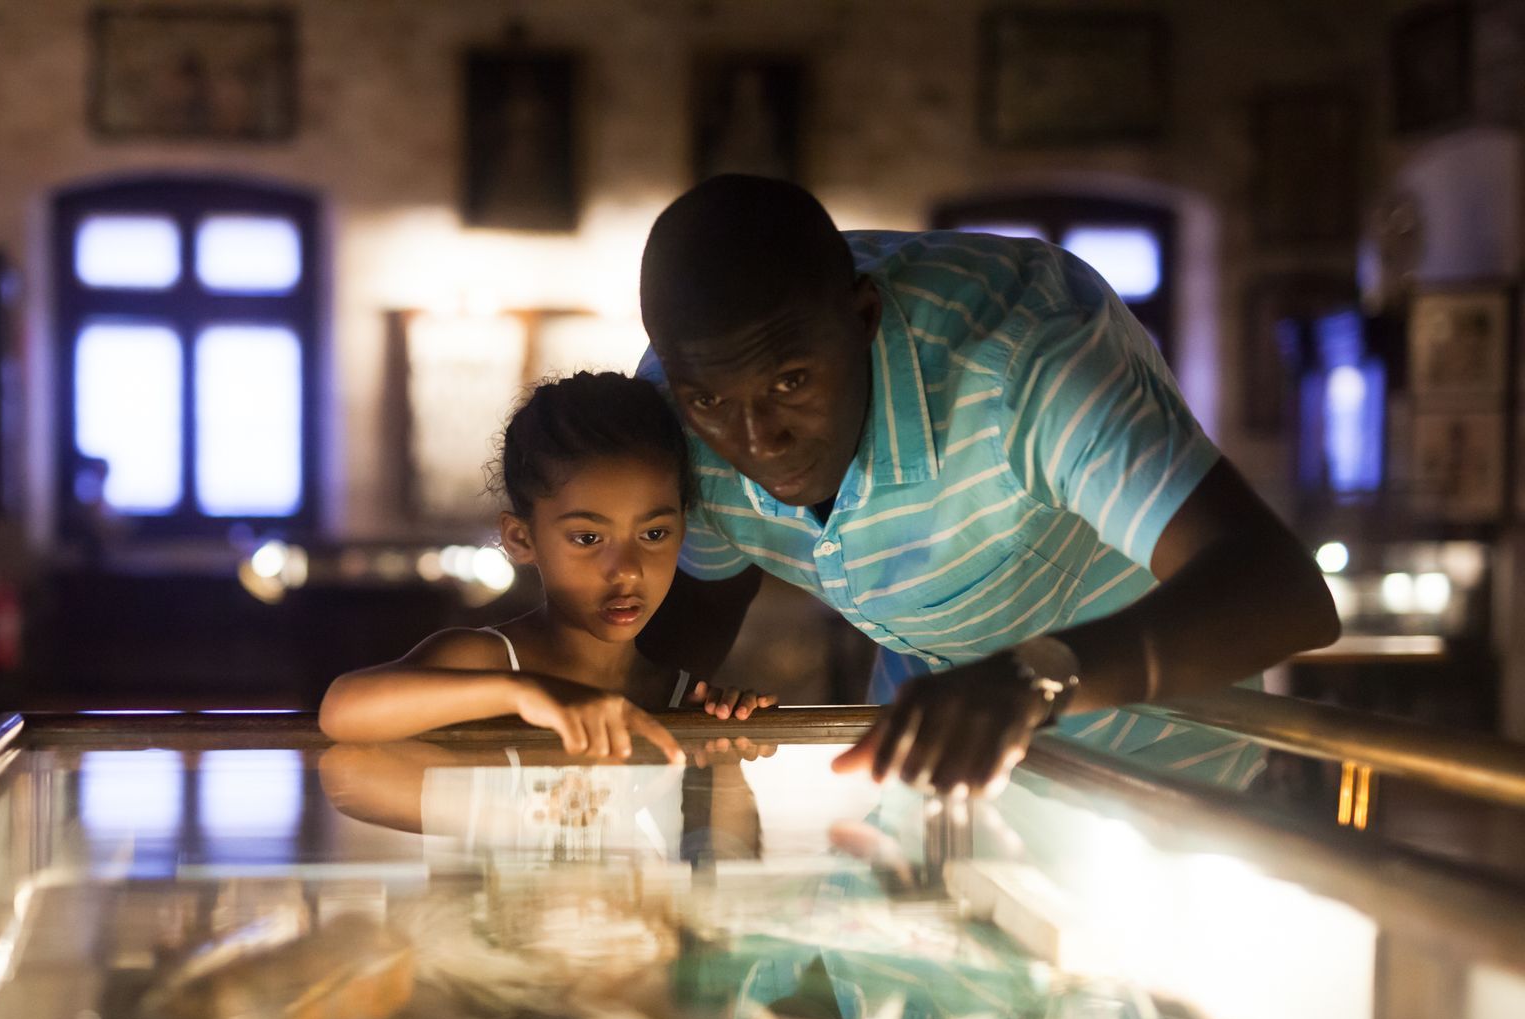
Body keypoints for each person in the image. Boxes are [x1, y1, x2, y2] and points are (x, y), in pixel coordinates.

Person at [633, 176, 1340, 794]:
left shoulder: (1027, 359)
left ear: (863, 319)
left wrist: (1036, 678)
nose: (756, 440)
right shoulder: (685, 392)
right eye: (713, 404)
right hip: (942, 775)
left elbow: (1283, 593)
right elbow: (699, 596)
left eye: (791, 383)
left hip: (1153, 785)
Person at [321, 371, 777, 759]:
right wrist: (527, 693)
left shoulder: (678, 696)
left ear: (684, 527)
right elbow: (341, 711)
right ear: (522, 538)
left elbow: (711, 855)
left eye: (654, 534)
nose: (627, 571)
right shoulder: (490, 663)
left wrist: (727, 758)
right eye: (588, 538)